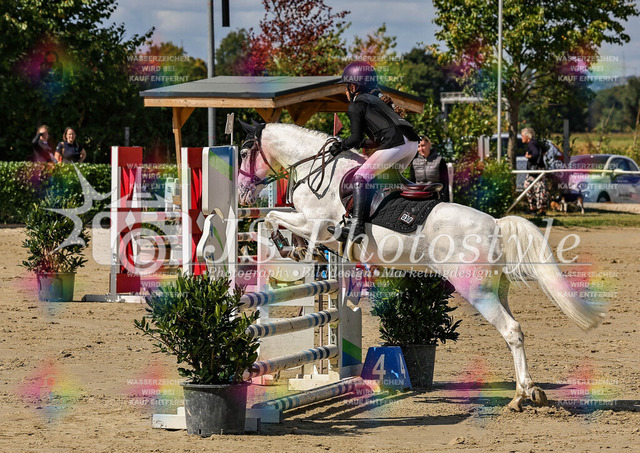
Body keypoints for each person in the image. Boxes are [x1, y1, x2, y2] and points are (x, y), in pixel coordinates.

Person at [328, 62, 420, 241]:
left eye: (346, 87)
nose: (345, 91)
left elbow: (354, 138)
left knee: (360, 178)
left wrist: (340, 145)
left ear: (353, 87)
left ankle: (356, 227)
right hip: (411, 144)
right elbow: (377, 138)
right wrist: (359, 143)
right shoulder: (377, 101)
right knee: (383, 180)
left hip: (396, 144)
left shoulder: (357, 104)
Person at [409, 135, 450, 202]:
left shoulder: (439, 160)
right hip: (419, 198)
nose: (421, 149)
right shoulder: (414, 162)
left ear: (429, 144)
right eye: (418, 146)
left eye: (423, 145)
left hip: (436, 198)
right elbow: (412, 182)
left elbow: (445, 183)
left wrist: (446, 201)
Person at [522, 127, 548, 215]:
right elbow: (544, 149)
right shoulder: (535, 143)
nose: (522, 138)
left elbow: (535, 153)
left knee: (532, 187)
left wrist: (528, 156)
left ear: (527, 136)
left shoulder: (531, 144)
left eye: (523, 136)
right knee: (536, 188)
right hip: (539, 169)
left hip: (536, 171)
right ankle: (539, 209)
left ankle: (534, 208)